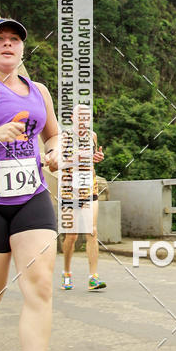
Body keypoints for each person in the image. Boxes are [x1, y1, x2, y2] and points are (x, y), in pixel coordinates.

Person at [0, 18, 60, 351]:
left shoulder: (38, 91)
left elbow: (53, 133)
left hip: (31, 197)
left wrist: (55, 153)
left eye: (14, 40)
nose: (8, 44)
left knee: (40, 285)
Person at [60, 105, 106, 291]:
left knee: (92, 231)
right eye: (81, 116)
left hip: (89, 186)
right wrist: (78, 156)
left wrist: (98, 157)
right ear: (73, 117)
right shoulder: (64, 137)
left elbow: (92, 158)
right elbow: (59, 163)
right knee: (71, 235)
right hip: (70, 188)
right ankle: (66, 272)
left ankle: (93, 277)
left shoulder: (92, 136)